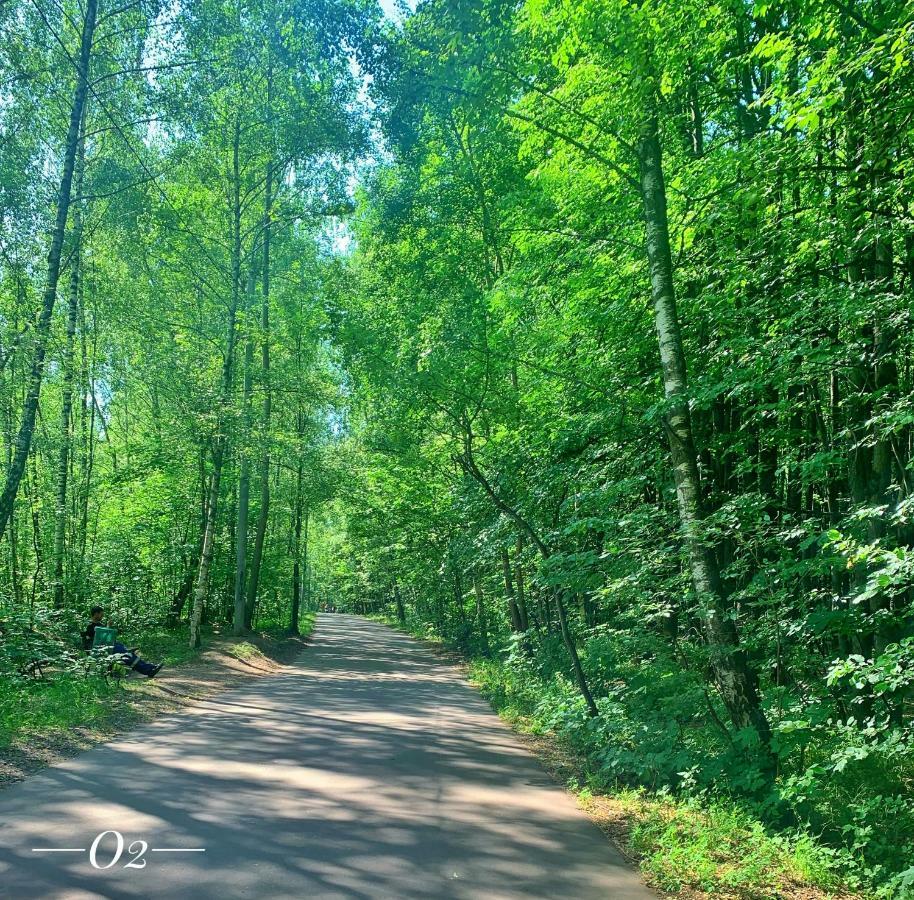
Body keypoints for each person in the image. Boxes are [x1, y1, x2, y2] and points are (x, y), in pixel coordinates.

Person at [82, 606, 162, 678]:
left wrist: (108, 627)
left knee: (130, 655)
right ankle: (149, 670)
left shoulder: (100, 624)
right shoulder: (89, 626)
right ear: (96, 614)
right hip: (103, 649)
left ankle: (150, 668)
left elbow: (107, 637)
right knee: (128, 656)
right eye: (101, 615)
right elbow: (95, 640)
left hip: (111, 646)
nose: (102, 617)